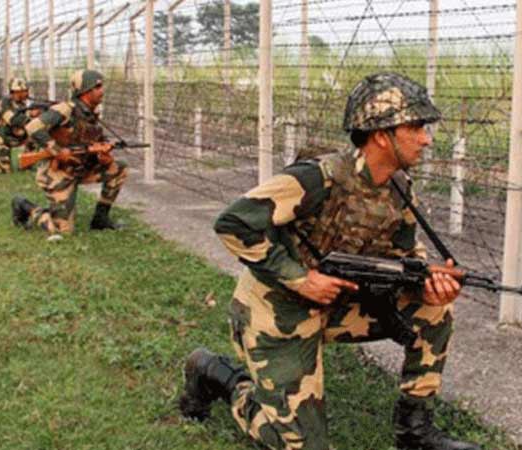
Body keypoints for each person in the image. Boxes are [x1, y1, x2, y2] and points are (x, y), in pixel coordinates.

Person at [179, 72, 481, 450]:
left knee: (433, 312)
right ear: (381, 135)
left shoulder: (399, 189)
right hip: (277, 311)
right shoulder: (317, 178)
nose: (426, 138)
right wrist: (300, 278)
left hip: (335, 304)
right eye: (415, 127)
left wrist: (425, 285)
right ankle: (219, 376)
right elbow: (232, 222)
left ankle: (414, 432)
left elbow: (403, 254)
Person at [10, 69, 129, 240]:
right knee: (62, 231)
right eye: (98, 87)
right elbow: (32, 127)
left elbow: (94, 139)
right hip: (57, 173)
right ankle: (25, 206)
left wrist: (104, 154)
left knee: (119, 168)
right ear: (85, 90)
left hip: (79, 168)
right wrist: (58, 151)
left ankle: (100, 219)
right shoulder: (65, 110)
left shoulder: (92, 114)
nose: (102, 91)